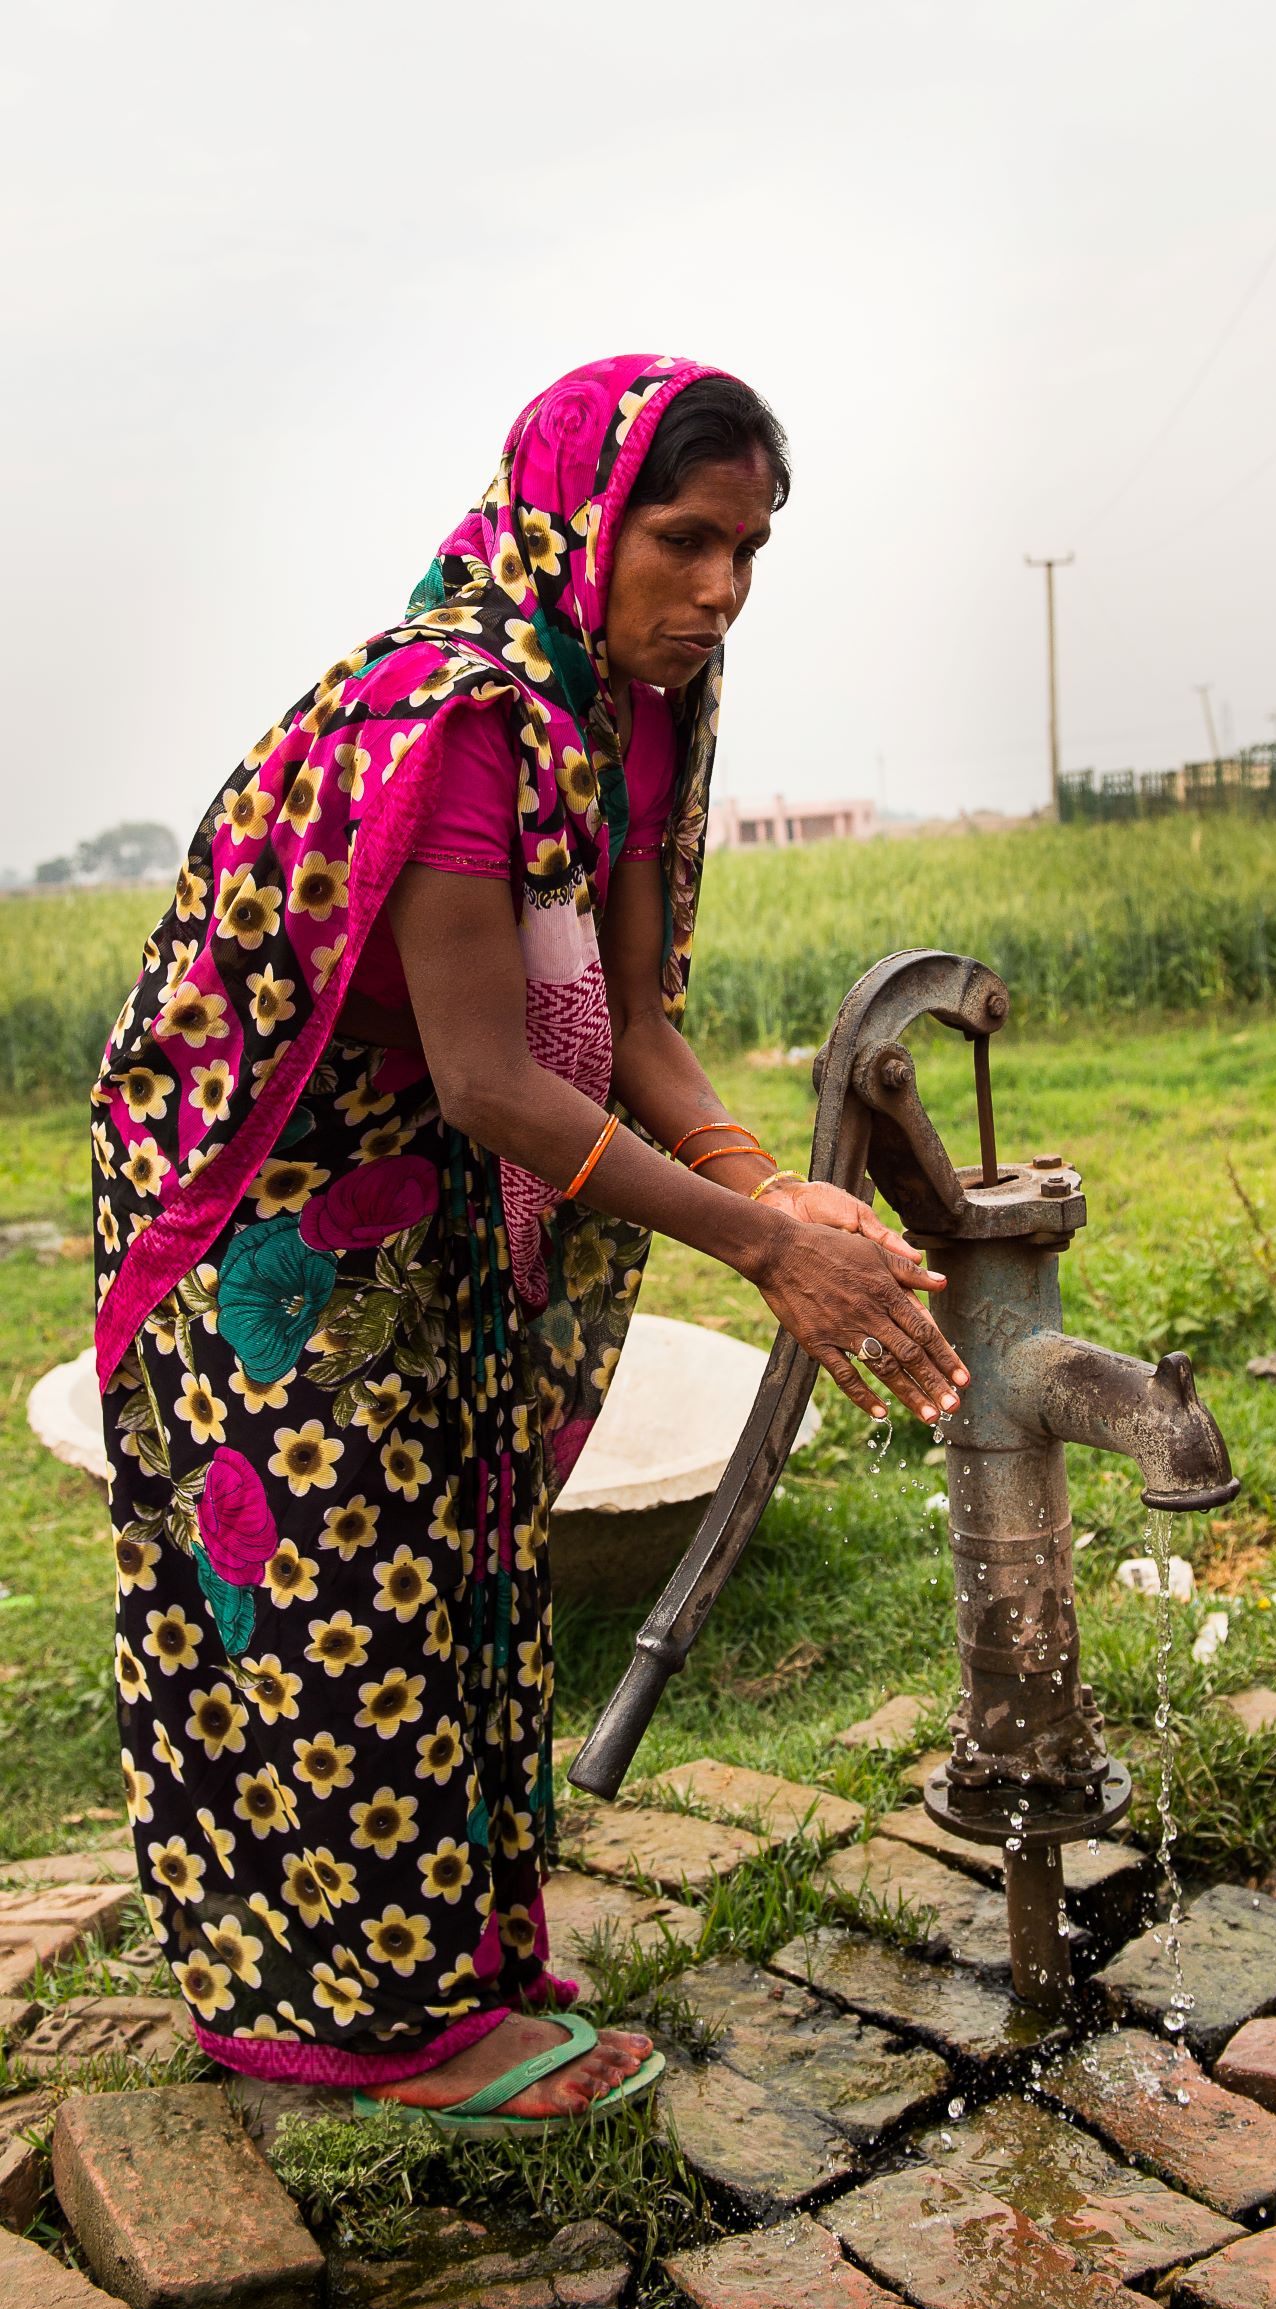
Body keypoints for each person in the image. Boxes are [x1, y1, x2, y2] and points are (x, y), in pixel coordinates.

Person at [92, 355, 966, 2131]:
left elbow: (630, 1011)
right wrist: (760, 1245)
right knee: (332, 1598)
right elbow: (495, 1078)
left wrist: (751, 1172)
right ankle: (365, 2021)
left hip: (429, 1189)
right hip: (259, 1202)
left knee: (463, 1553)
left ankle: (457, 1950)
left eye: (752, 548)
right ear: (583, 518)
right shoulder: (458, 717)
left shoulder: (635, 707)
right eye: (685, 538)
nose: (719, 589)